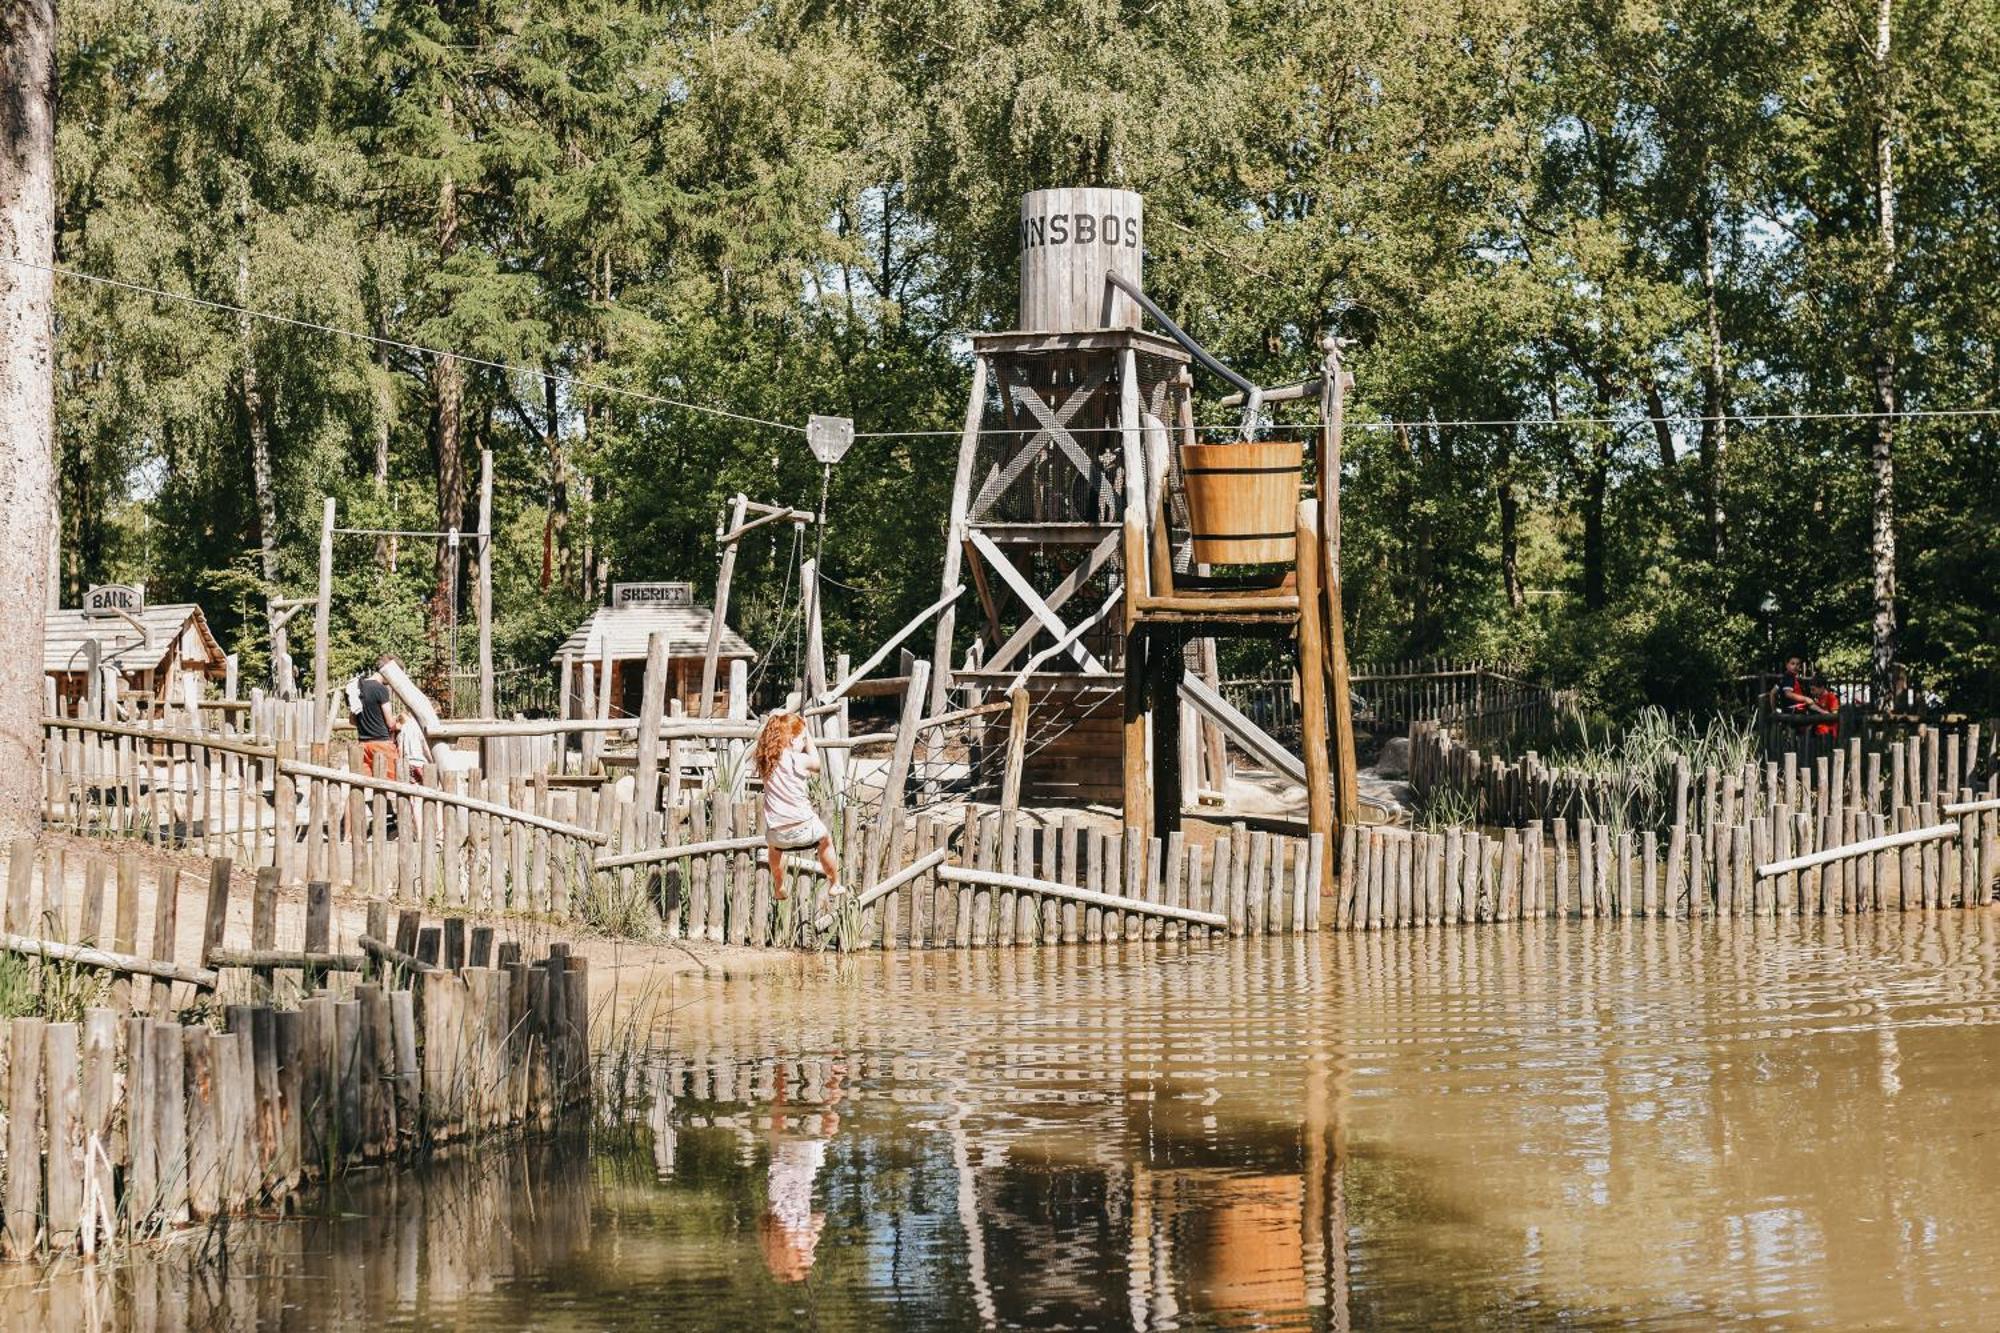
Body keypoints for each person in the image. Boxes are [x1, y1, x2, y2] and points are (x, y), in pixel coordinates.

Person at [753, 712, 844, 903]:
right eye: (801, 739)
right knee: (826, 841)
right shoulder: (798, 760)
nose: (803, 742)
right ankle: (834, 883)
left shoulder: (765, 762)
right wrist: (808, 735)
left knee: (774, 850)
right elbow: (818, 764)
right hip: (804, 827)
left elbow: (766, 739)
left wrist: (779, 723)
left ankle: (778, 885)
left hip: (777, 832)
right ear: (793, 740)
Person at [355, 657, 397, 779]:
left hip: (363, 744)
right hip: (381, 744)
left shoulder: (357, 687)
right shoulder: (381, 689)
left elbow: (352, 720)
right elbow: (390, 723)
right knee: (394, 783)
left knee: (365, 786)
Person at [394, 706, 431, 785]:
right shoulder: (419, 728)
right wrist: (431, 761)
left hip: (409, 764)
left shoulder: (402, 730)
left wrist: (400, 764)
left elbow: (400, 749)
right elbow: (425, 748)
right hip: (421, 764)